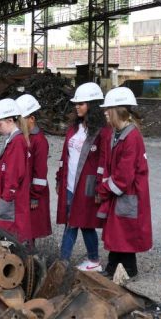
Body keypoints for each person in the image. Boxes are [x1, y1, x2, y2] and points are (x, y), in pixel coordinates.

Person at [97, 87, 152, 278]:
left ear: (117, 111)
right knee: (117, 231)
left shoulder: (131, 137)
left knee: (125, 232)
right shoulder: (118, 133)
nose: (105, 113)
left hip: (128, 194)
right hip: (123, 194)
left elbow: (123, 176)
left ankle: (128, 269)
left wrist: (104, 190)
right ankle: (113, 267)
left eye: (108, 109)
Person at [56, 82, 110, 272]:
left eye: (82, 103)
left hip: (86, 187)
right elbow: (65, 156)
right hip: (71, 185)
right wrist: (59, 178)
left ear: (92, 105)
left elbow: (104, 162)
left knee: (81, 222)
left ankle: (64, 261)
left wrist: (99, 189)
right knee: (77, 222)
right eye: (76, 103)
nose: (77, 106)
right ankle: (90, 260)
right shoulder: (74, 128)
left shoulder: (102, 132)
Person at [0, 98, 32, 242]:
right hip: (7, 199)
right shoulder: (12, 140)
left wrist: (4, 201)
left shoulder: (17, 142)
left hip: (11, 202)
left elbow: (13, 176)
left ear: (10, 120)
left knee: (10, 238)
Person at [16, 94, 52, 245]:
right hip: (24, 190)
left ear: (32, 118)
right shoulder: (23, 137)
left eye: (21, 119)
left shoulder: (39, 141)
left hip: (33, 192)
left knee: (30, 229)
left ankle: (30, 256)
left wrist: (35, 195)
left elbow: (40, 172)